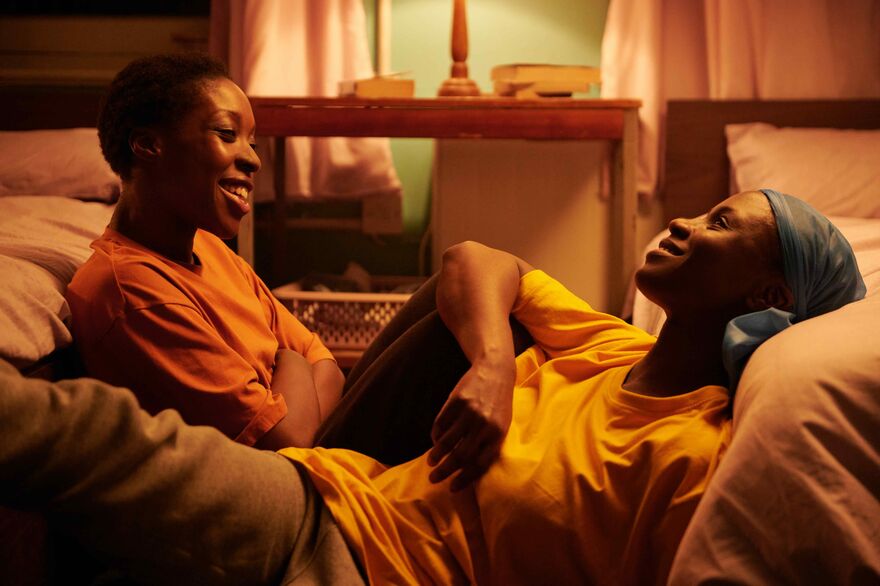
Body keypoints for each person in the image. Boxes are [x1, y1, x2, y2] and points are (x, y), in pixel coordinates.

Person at [11, 187, 864, 583]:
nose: (681, 219)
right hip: (331, 499)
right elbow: (474, 260)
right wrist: (493, 369)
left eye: (721, 224)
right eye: (702, 207)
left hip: (374, 577)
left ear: (769, 296)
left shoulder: (699, 455)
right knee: (88, 433)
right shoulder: (607, 347)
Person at [65, 53, 511, 488]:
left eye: (252, 143)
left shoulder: (208, 248)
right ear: (147, 145)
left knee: (470, 274)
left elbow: (326, 364)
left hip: (322, 441)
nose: (253, 159)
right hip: (310, 484)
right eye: (227, 134)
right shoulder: (133, 289)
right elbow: (288, 443)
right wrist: (289, 358)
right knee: (461, 328)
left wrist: (289, 373)